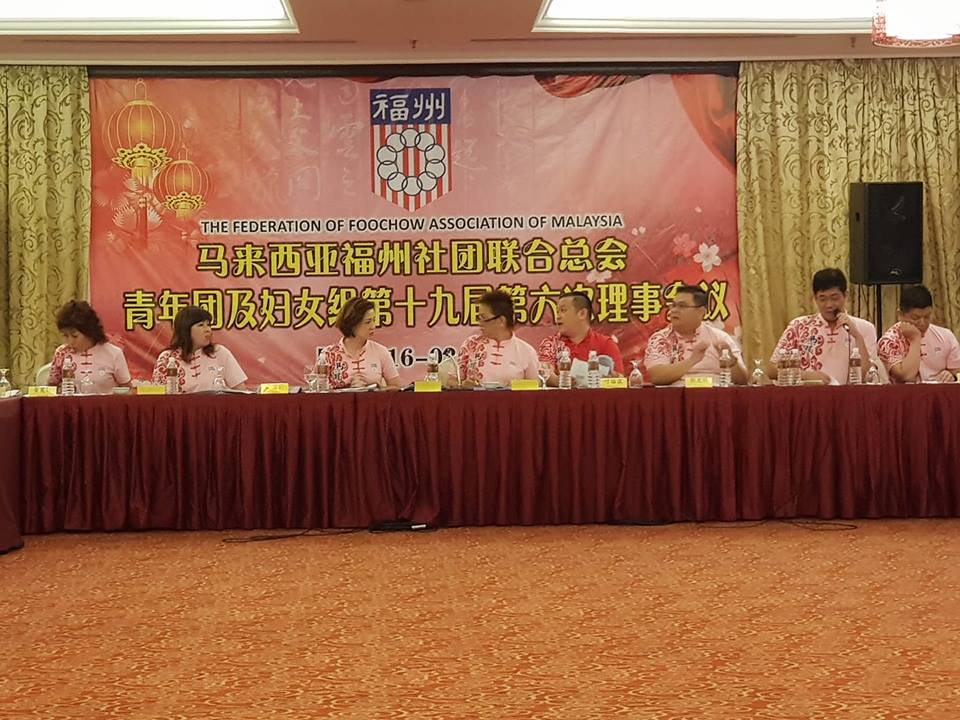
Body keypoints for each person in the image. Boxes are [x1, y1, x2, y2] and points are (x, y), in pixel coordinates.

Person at [768, 268, 878, 385]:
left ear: (846, 295)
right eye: (822, 299)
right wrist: (806, 375)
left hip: (849, 395)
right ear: (815, 298)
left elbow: (866, 377)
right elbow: (771, 370)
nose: (829, 305)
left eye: (834, 298)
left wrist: (857, 336)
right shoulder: (798, 326)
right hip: (809, 394)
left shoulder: (865, 328)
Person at [644, 284, 747, 386]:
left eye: (682, 306)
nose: (674, 310)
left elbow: (742, 381)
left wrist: (732, 362)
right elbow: (657, 377)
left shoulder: (720, 337)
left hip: (716, 393)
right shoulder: (661, 339)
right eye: (673, 305)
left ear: (701, 311)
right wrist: (692, 360)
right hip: (677, 394)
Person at [537, 291, 624, 386]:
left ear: (582, 313)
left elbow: (620, 380)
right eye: (557, 312)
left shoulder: (606, 344)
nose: (557, 316)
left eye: (563, 310)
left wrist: (610, 377)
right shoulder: (551, 343)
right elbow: (544, 372)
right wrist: (558, 380)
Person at [455, 290, 539, 387]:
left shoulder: (526, 351)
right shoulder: (471, 344)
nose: (479, 323)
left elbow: (535, 388)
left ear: (500, 321)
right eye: (479, 318)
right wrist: (462, 386)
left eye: (483, 318)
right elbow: (451, 380)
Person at [152, 305, 247, 392]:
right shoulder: (167, 358)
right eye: (201, 325)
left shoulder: (220, 352)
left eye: (208, 325)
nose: (208, 330)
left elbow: (241, 391)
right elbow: (158, 397)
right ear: (185, 330)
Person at [878, 285, 960, 384]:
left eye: (927, 317)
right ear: (900, 315)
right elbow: (905, 376)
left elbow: (957, 370)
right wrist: (915, 339)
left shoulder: (946, 336)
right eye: (915, 318)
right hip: (906, 393)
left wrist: (951, 375)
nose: (922, 323)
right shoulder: (889, 341)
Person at [48, 300, 131, 393]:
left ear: (89, 332)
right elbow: (51, 390)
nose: (70, 341)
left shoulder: (114, 353)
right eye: (65, 335)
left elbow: (127, 390)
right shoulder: (61, 353)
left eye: (75, 336)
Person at [320, 296, 403, 390]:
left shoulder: (381, 351)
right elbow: (316, 390)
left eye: (374, 320)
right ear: (352, 323)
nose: (373, 326)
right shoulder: (328, 354)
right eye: (368, 322)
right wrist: (347, 389)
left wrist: (381, 389)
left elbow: (398, 388)